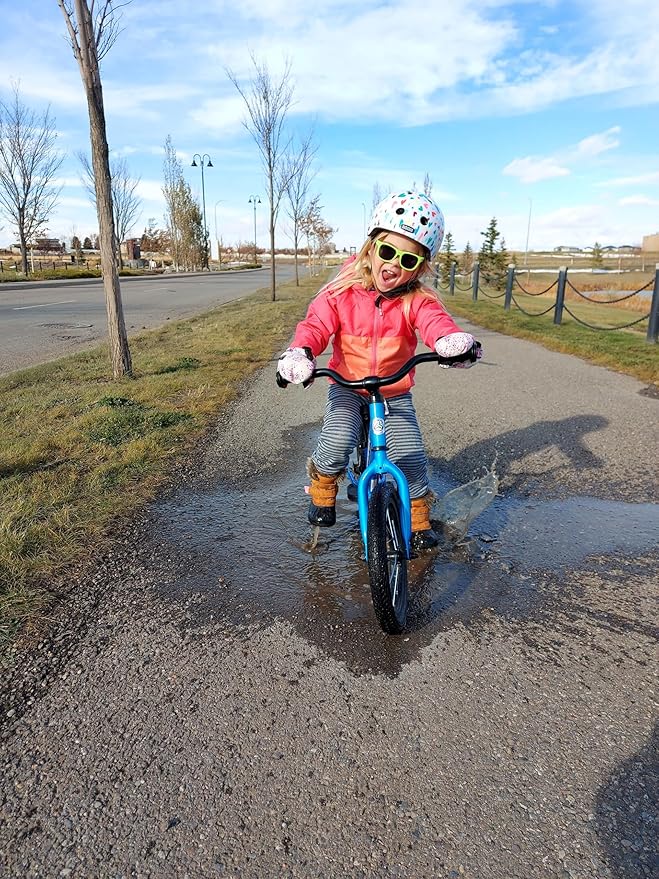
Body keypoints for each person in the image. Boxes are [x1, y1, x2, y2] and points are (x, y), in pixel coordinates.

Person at [276, 190, 482, 553]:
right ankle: (323, 487)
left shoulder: (417, 299)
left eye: (408, 259)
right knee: (337, 438)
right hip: (347, 385)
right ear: (371, 248)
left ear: (419, 267)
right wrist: (300, 352)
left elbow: (435, 322)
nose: (394, 265)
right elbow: (316, 326)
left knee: (411, 455)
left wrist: (449, 342)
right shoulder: (341, 291)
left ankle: (417, 516)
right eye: (388, 252)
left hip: (393, 391)